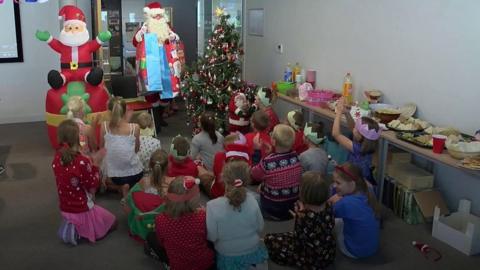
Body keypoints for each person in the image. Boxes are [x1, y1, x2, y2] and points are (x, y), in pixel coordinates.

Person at [52, 119, 116, 245]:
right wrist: (96, 164)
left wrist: (90, 163)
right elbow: (93, 185)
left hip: (65, 206)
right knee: (113, 223)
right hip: (83, 208)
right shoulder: (82, 161)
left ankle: (72, 224)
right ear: (78, 138)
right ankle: (81, 227)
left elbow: (71, 174)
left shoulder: (57, 157)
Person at [265, 171, 336, 269]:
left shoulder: (303, 217)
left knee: (269, 239)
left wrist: (297, 216)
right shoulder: (329, 206)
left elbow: (298, 241)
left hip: (309, 258)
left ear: (304, 194)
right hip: (327, 253)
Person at [207, 161, 268, 270]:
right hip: (252, 248)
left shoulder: (212, 206)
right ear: (247, 181)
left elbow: (212, 237)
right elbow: (260, 227)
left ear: (224, 180)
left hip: (227, 254)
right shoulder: (253, 200)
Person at [145, 176, 215, 270]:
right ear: (194, 200)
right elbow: (208, 236)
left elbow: (162, 243)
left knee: (150, 236)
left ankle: (167, 263)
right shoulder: (202, 216)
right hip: (205, 265)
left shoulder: (160, 219)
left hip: (179, 266)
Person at [133, 2, 183, 132]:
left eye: (160, 16)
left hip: (165, 64)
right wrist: (141, 33)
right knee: (152, 94)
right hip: (150, 65)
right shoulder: (145, 27)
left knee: (166, 94)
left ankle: (159, 118)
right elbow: (135, 41)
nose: (158, 18)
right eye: (155, 16)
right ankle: (155, 122)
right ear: (150, 16)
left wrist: (174, 36)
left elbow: (176, 39)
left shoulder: (166, 27)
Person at [35, 5, 111, 89]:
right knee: (59, 78)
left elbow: (95, 44)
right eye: (70, 28)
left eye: (77, 28)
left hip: (84, 71)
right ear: (65, 30)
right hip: (67, 72)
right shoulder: (63, 46)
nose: (73, 31)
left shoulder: (87, 46)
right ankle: (60, 79)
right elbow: (55, 44)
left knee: (93, 75)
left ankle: (91, 78)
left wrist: (101, 38)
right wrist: (48, 38)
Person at [251, 124, 303, 220]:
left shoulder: (267, 161)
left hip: (272, 210)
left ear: (273, 141)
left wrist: (257, 151)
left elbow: (254, 175)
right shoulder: (297, 157)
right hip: (291, 209)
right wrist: (271, 153)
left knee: (248, 195)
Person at [329, 162, 380, 259]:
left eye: (338, 183)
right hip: (372, 248)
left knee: (334, 221)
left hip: (353, 251)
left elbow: (327, 214)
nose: (334, 186)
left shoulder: (346, 203)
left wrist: (331, 201)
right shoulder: (368, 189)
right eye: (334, 181)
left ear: (352, 183)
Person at [100, 97, 143, 200]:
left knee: (101, 178)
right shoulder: (135, 127)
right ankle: (130, 186)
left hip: (114, 177)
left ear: (109, 112)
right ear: (124, 111)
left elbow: (101, 149)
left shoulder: (104, 126)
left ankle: (119, 187)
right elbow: (136, 149)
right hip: (135, 174)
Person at [332, 97, 381, 185]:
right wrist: (347, 113)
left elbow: (336, 134)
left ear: (360, 135)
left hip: (356, 183)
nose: (353, 128)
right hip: (363, 180)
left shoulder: (357, 148)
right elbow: (353, 128)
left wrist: (339, 112)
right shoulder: (367, 145)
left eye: (356, 128)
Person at [125, 149, 168, 241]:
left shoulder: (143, 181)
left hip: (141, 219)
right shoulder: (168, 187)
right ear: (167, 168)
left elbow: (131, 198)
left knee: (128, 200)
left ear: (149, 164)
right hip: (158, 223)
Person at [206, 132, 250, 199]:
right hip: (239, 195)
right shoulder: (247, 161)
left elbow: (215, 174)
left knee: (203, 175)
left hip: (218, 194)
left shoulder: (219, 156)